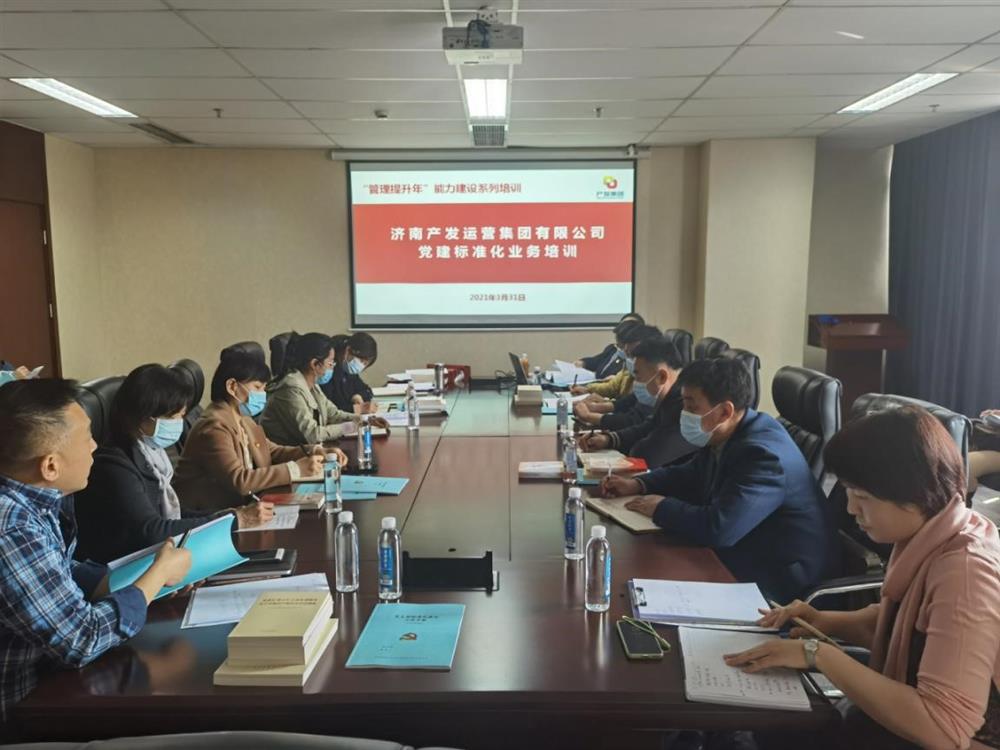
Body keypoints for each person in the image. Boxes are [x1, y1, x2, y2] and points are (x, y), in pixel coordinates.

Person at [725, 407, 1000, 750]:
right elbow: (906, 626)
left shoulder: (965, 573)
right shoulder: (935, 532)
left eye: (862, 497)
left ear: (913, 495)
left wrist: (818, 653)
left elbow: (943, 728)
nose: (851, 509)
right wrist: (823, 621)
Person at [0, 379, 191, 727]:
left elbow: (63, 572)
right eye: (87, 438)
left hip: (52, 691)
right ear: (50, 466)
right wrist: (156, 577)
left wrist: (145, 578)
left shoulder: (31, 502)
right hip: (23, 716)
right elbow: (81, 638)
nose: (94, 447)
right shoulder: (11, 529)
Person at [601, 357, 839, 602]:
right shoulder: (735, 429)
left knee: (649, 583)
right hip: (745, 549)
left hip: (781, 580)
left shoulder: (763, 456)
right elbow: (692, 471)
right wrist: (639, 483)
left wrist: (661, 507)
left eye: (692, 407)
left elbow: (720, 528)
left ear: (725, 411)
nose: (684, 414)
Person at [74, 364, 274, 565]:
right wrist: (235, 520)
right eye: (171, 417)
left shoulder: (152, 454)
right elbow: (152, 530)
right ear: (142, 416)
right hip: (130, 568)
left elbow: (176, 514)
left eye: (181, 416)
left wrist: (230, 515)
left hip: (160, 558)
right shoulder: (113, 465)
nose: (178, 423)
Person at [174, 352, 340, 515]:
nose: (262, 394)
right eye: (257, 387)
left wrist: (314, 451)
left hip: (243, 507)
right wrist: (295, 469)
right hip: (207, 516)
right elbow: (240, 480)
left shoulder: (243, 418)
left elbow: (272, 451)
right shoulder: (214, 427)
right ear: (232, 386)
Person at [578, 336, 694, 470]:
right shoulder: (669, 396)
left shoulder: (685, 404)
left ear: (661, 377)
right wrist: (608, 439)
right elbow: (647, 428)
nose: (635, 384)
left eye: (638, 377)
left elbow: (649, 454)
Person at [261, 332, 389, 446]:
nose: (334, 366)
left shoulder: (313, 385)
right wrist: (351, 426)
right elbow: (312, 434)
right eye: (330, 362)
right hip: (287, 456)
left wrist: (365, 420)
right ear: (314, 364)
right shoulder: (291, 389)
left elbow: (333, 414)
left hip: (306, 450)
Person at [574, 322, 662, 429]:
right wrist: (597, 407)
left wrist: (590, 416)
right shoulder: (645, 382)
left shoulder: (663, 390)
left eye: (632, 356)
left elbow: (633, 421)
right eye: (628, 355)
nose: (631, 361)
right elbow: (628, 402)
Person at [574, 312, 645, 378]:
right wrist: (583, 363)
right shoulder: (612, 348)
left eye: (629, 326)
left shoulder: (637, 358)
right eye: (623, 325)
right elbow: (596, 360)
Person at [322, 332, 377, 414]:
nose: (361, 366)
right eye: (362, 361)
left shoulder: (347, 368)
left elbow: (366, 390)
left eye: (365, 364)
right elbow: (327, 407)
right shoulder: (327, 370)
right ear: (348, 351)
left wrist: (358, 396)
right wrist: (357, 409)